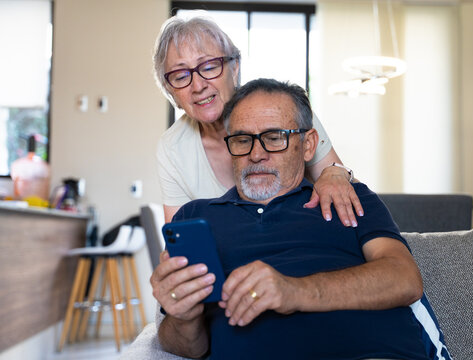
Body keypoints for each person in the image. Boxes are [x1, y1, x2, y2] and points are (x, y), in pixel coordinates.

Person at [151, 79, 452, 360]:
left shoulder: (347, 197)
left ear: (308, 145)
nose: (256, 154)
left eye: (274, 137)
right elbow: (186, 347)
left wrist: (293, 291)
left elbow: (404, 279)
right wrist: (183, 318)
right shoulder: (197, 217)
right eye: (243, 140)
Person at [152, 15, 363, 226]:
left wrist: (335, 173)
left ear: (234, 69)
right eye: (180, 76)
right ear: (170, 91)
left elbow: (344, 189)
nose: (198, 86)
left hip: (303, 237)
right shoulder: (172, 148)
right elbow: (180, 235)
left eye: (208, 67)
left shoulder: (284, 110)